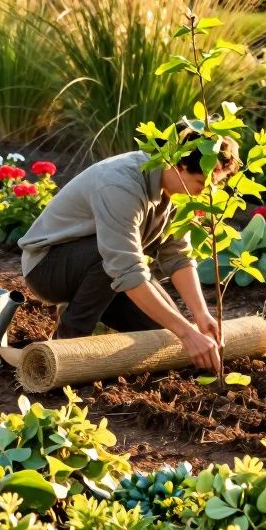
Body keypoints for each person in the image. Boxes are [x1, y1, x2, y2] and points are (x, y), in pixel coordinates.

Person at [18, 135, 240, 372]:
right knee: (111, 260)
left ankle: (92, 307)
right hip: (48, 268)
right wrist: (188, 334)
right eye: (202, 182)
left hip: (106, 270)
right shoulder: (120, 184)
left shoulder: (178, 190)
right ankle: (67, 341)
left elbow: (177, 256)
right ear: (179, 165)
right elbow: (124, 266)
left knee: (163, 332)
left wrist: (201, 316)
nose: (206, 191)